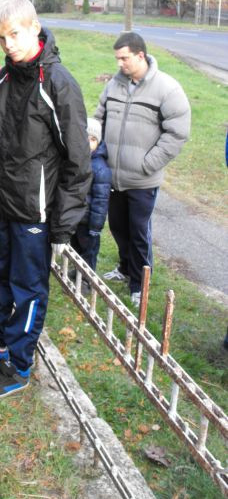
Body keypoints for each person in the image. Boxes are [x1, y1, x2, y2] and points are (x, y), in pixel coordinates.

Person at [0, 0, 92, 399]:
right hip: (2, 202)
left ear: (34, 28)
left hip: (36, 211)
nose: (9, 44)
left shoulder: (59, 85)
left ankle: (18, 363)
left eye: (14, 34)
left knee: (27, 288)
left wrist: (63, 228)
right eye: (1, 37)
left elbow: (78, 162)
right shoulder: (5, 78)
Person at [95, 32, 191, 307]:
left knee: (139, 234)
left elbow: (177, 134)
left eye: (124, 58)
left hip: (142, 180)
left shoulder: (167, 89)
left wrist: (147, 164)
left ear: (140, 55)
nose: (120, 64)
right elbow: (99, 117)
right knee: (117, 227)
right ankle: (125, 269)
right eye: (117, 59)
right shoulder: (114, 85)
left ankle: (139, 285)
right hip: (113, 175)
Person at [70, 117, 112, 273]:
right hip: (76, 216)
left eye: (93, 139)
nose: (88, 143)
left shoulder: (100, 168)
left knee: (89, 252)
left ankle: (87, 280)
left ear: (98, 142)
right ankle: (76, 272)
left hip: (89, 221)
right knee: (76, 247)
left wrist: (96, 226)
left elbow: (101, 201)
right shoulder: (76, 160)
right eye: (85, 138)